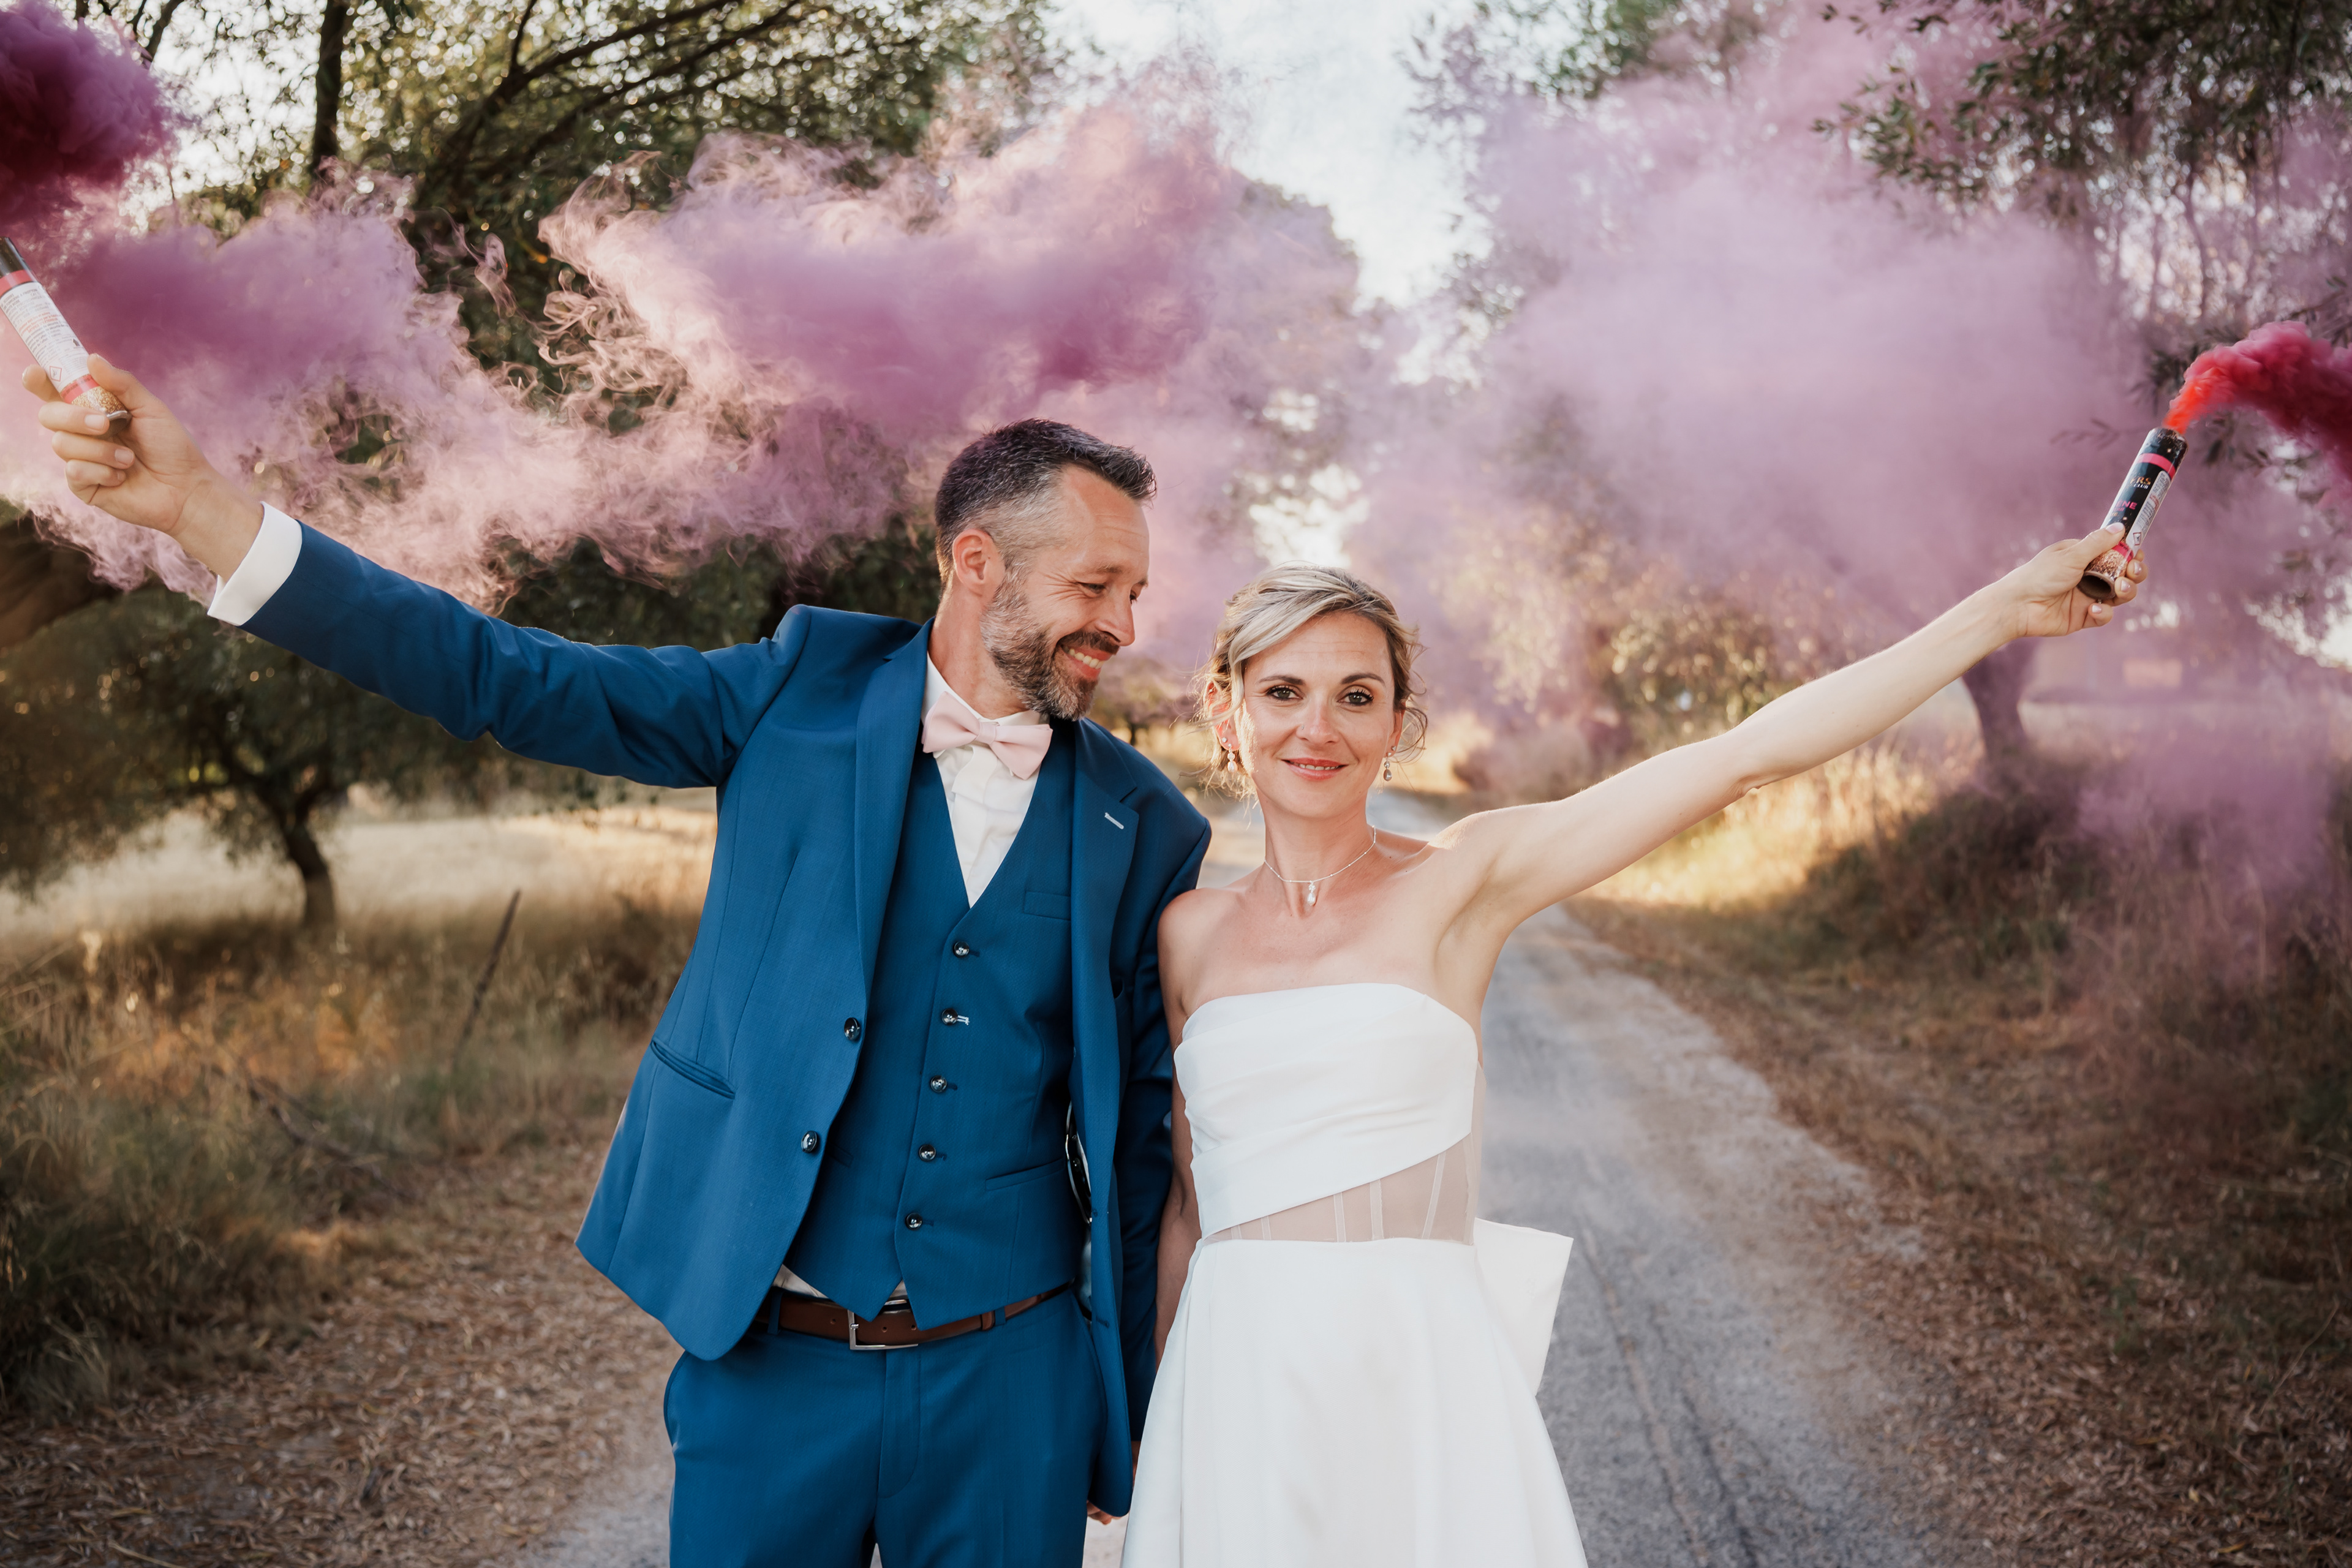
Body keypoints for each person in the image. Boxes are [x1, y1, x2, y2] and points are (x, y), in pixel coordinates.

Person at [25, 356, 1210, 1568]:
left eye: (1136, 590)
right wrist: (200, 514)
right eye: (1097, 583)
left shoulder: (1148, 823)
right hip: (771, 1357)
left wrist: (1127, 1427)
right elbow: (498, 675)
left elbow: (1137, 1154)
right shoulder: (793, 690)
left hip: (1012, 1383)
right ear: (976, 562)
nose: (1121, 622)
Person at [1123, 535, 2148, 1565]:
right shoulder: (1188, 935)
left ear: (1397, 723)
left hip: (1416, 1370)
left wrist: (2007, 610)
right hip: (1232, 1374)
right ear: (1228, 709)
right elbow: (1190, 1208)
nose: (1318, 727)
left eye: (1356, 696)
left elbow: (1747, 755)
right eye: (1285, 691)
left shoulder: (1465, 877)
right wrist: (1152, 1446)